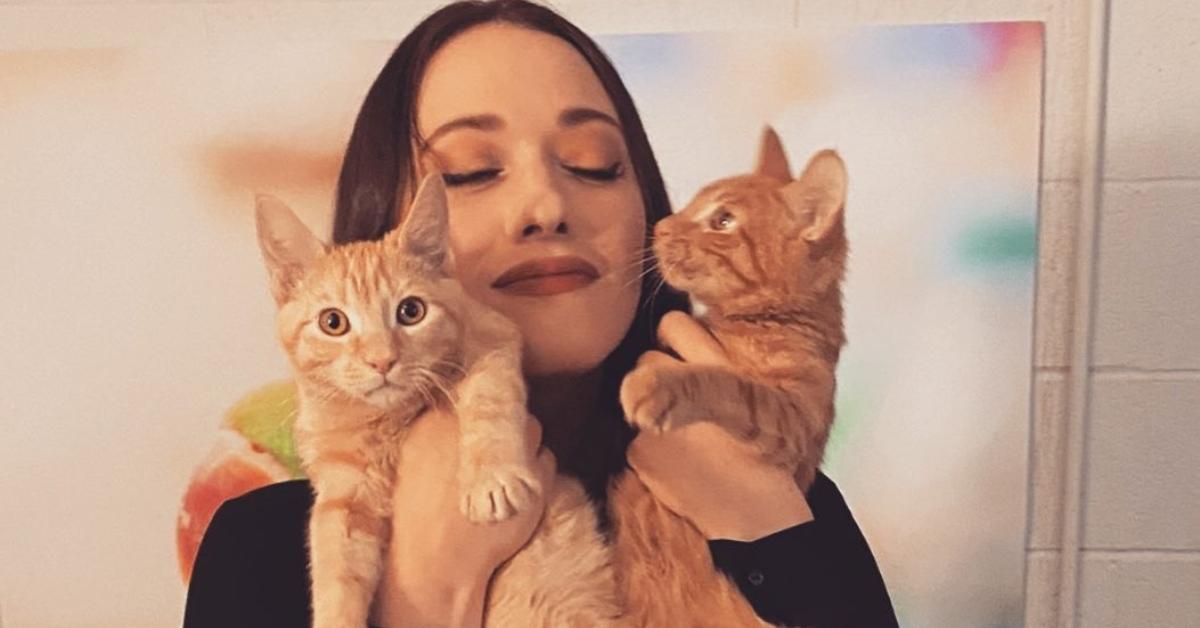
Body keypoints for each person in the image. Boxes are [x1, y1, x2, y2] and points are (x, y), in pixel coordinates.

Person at [183, 1, 898, 626]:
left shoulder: (796, 509)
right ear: (387, 226)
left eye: (592, 164)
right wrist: (428, 596)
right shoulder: (261, 549)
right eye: (467, 172)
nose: (546, 207)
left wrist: (767, 530)